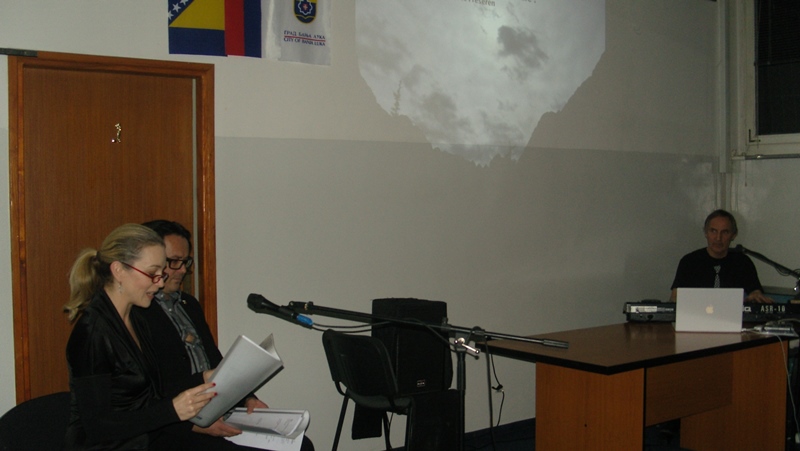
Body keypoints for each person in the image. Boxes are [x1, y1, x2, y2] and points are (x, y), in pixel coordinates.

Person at [140, 220, 314, 450]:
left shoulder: (189, 305)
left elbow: (216, 363)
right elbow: (146, 393)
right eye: (174, 262)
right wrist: (194, 425)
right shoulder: (139, 312)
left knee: (301, 445)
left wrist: (248, 399)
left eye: (185, 262)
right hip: (177, 427)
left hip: (219, 412)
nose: (182, 270)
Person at [63, 224, 218, 450]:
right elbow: (97, 426)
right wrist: (172, 410)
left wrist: (204, 378)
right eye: (152, 274)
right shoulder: (93, 332)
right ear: (119, 271)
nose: (161, 283)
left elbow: (152, 392)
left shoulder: (138, 319)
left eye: (161, 274)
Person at [669, 209, 772, 303]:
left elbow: (755, 292)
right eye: (713, 231)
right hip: (695, 315)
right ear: (705, 233)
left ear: (733, 235)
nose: (718, 238)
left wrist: (755, 296)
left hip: (733, 316)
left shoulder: (743, 263)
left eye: (725, 232)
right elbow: (675, 299)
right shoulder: (689, 262)